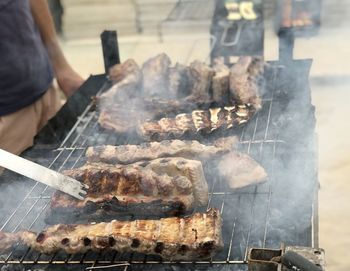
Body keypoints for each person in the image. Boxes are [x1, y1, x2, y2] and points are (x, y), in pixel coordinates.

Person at [0, 0, 84, 155]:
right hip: (6, 116)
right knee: (15, 180)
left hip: (44, 91)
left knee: (65, 163)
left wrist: (61, 66)